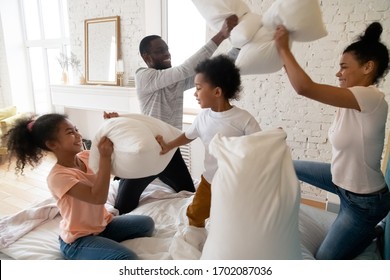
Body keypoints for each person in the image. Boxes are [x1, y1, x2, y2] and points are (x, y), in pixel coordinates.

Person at [274, 22, 390, 259]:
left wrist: (283, 48)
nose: (338, 73)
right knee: (284, 163)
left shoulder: (371, 97)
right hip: (339, 180)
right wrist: (282, 58)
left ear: (368, 67)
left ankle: (369, 233)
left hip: (364, 202)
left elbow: (304, 88)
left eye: (344, 67)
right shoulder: (350, 99)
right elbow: (304, 86)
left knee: (324, 260)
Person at [113, 15, 239, 215]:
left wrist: (239, 48)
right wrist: (221, 35)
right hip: (149, 151)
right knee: (121, 208)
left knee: (189, 192)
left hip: (170, 149)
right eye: (159, 50)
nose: (167, 53)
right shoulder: (144, 76)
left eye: (166, 49)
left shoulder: (175, 80)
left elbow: (210, 74)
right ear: (147, 57)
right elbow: (186, 69)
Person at [5, 113, 155, 260]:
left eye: (76, 129)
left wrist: (113, 126)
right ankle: (86, 250)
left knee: (147, 224)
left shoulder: (86, 156)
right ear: (52, 144)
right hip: (79, 239)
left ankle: (100, 245)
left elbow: (119, 152)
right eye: (70, 132)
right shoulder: (58, 177)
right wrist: (104, 158)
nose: (78, 135)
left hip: (103, 226)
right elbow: (98, 197)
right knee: (126, 258)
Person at [156, 55, 261, 233]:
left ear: (217, 92)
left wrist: (273, 138)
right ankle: (195, 238)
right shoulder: (203, 117)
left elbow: (260, 145)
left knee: (233, 217)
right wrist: (169, 145)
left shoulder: (243, 119)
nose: (195, 93)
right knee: (195, 214)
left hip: (235, 183)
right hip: (210, 180)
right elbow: (188, 136)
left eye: (198, 88)